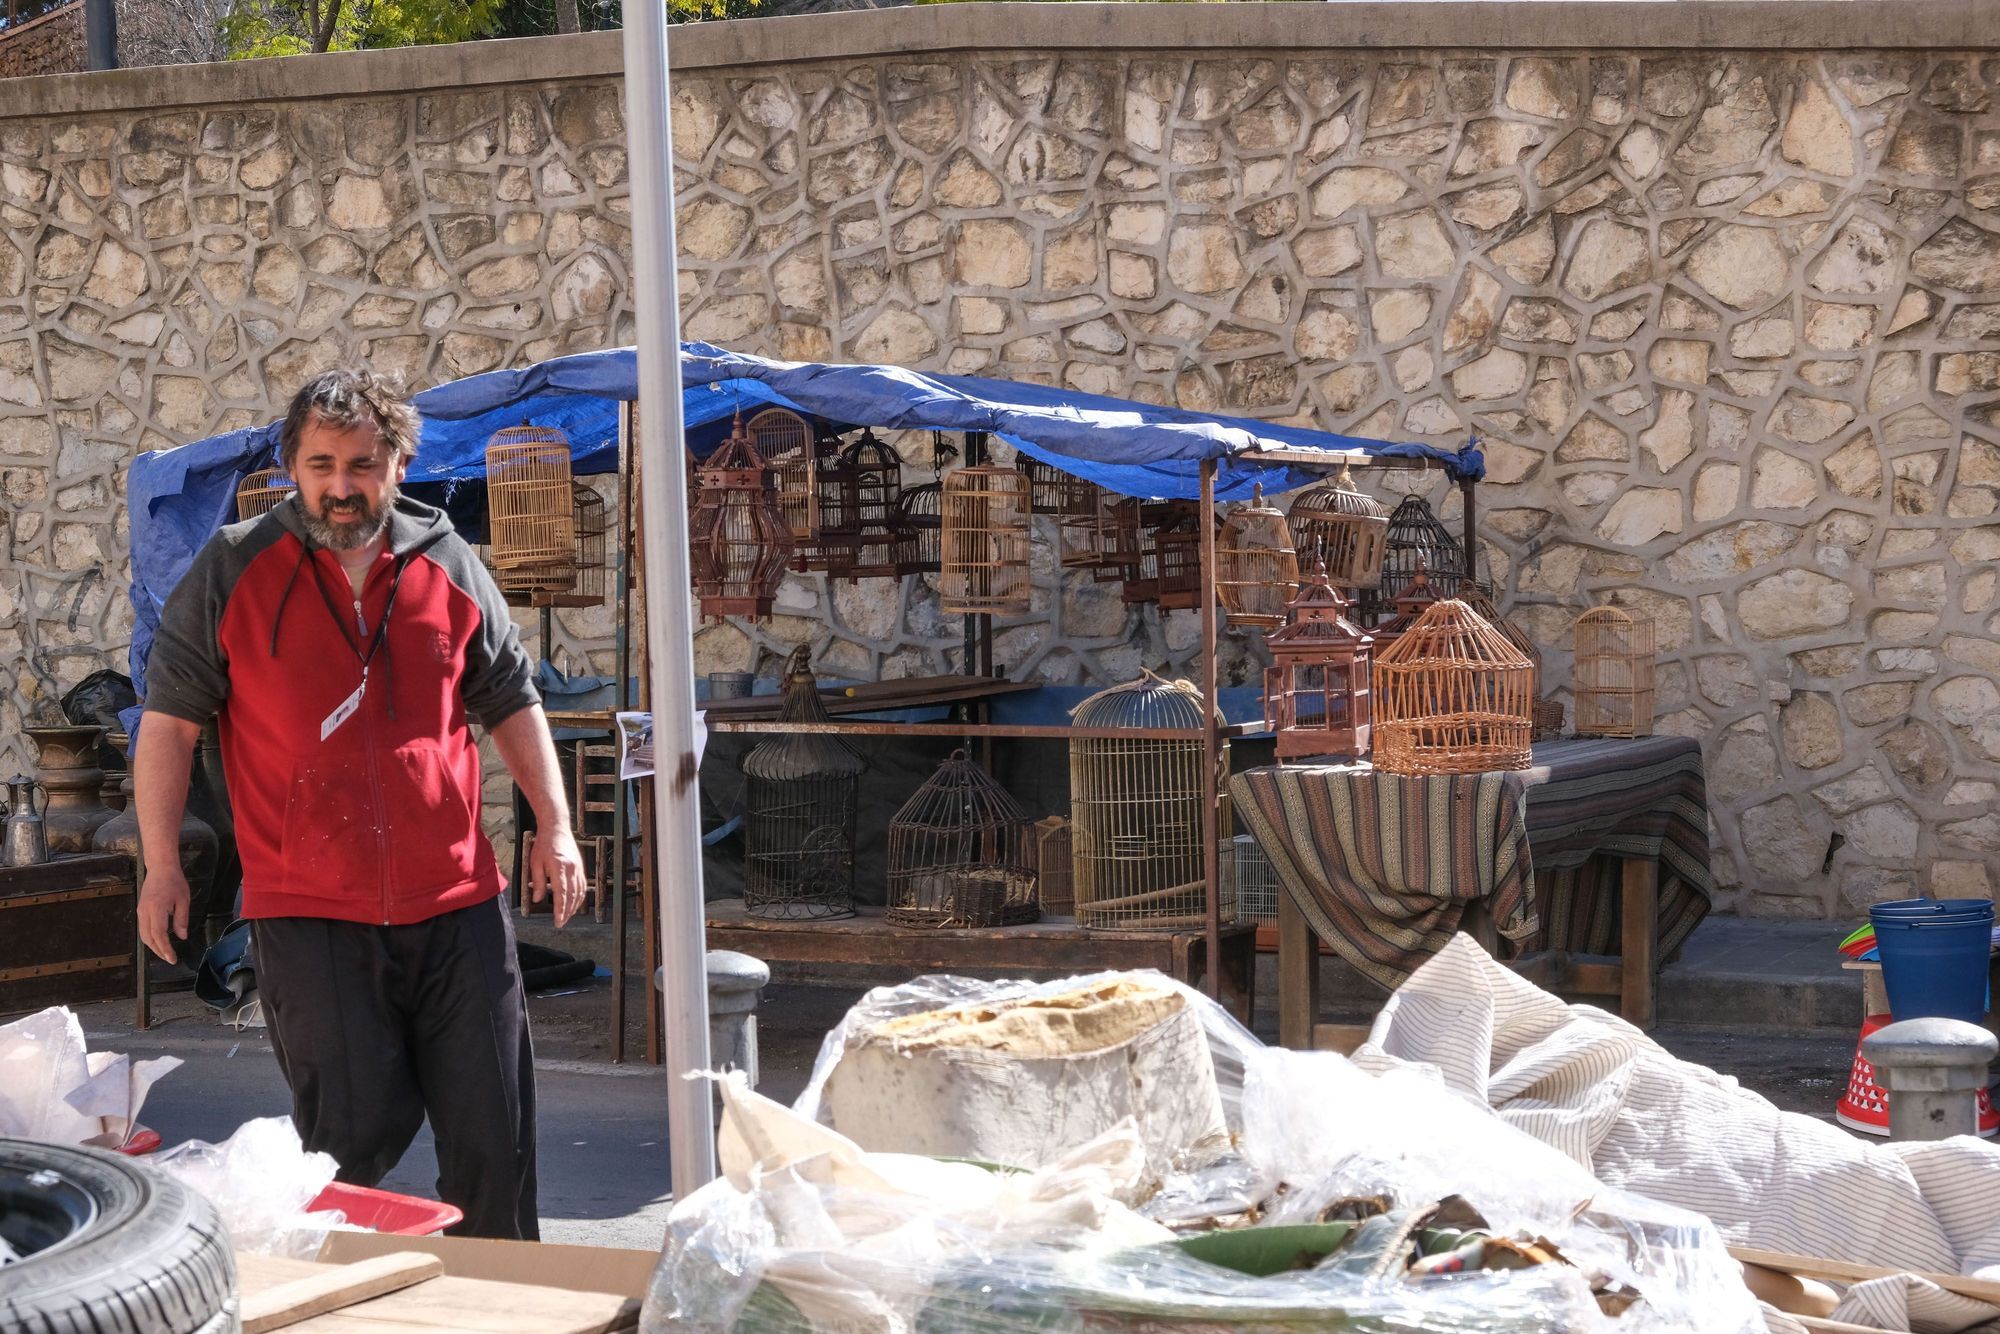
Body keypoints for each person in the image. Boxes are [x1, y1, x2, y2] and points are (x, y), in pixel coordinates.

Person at [134, 367, 587, 1240]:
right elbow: (169, 727)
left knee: (497, 1143)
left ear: (399, 464)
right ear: (293, 466)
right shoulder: (232, 568)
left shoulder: (450, 561)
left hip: (457, 901)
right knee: (345, 1147)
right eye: (322, 465)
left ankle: (501, 1309)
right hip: (309, 912)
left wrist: (556, 828)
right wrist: (163, 865)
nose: (343, 487)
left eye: (363, 465)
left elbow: (512, 699)